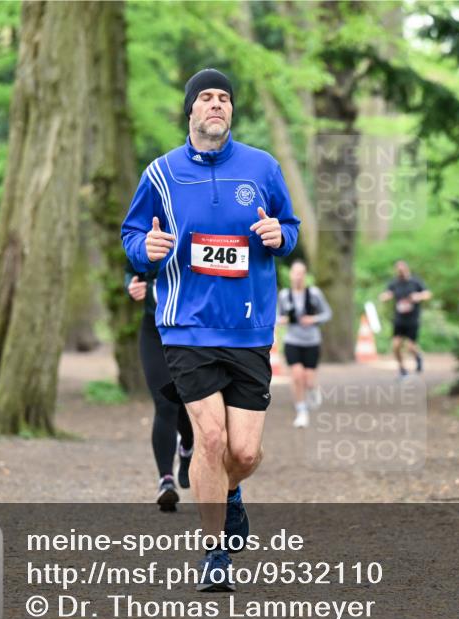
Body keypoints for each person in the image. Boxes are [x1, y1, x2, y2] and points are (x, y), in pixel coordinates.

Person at [121, 68, 299, 591]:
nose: (216, 104)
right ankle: (216, 551)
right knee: (211, 438)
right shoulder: (160, 173)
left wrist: (278, 234)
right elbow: (133, 234)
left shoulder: (262, 167)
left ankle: (230, 494)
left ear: (231, 111)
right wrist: (144, 250)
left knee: (242, 454)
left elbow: (290, 230)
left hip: (249, 327)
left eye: (224, 97)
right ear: (191, 111)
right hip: (186, 326)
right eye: (206, 98)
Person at [125, 263, 194, 512]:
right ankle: (166, 481)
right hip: (153, 329)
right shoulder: (151, 230)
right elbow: (130, 270)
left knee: (188, 400)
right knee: (165, 402)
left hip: (189, 331)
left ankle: (187, 446)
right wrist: (131, 286)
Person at [277, 260, 332, 428]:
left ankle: (314, 389)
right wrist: (282, 320)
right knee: (296, 376)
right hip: (292, 341)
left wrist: (313, 319)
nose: (298, 277)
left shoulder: (314, 293)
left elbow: (327, 313)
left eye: (301, 273)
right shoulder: (284, 295)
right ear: (291, 275)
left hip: (312, 341)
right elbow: (276, 316)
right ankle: (301, 411)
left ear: (306, 275)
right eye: (295, 273)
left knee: (308, 379)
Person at [379, 260, 431, 377]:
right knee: (395, 346)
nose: (400, 272)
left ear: (407, 269)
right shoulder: (394, 283)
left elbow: (427, 293)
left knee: (410, 346)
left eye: (402, 269)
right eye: (398, 270)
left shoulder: (415, 282)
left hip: (412, 319)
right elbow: (386, 294)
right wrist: (385, 297)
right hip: (399, 319)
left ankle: (418, 358)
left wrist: (419, 296)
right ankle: (402, 369)